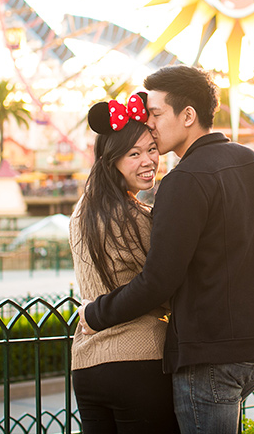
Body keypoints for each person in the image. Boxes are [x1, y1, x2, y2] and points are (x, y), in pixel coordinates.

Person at [79, 65, 254, 433]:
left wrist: (95, 314)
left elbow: (159, 280)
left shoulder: (183, 181)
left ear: (188, 115)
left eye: (156, 113)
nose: (151, 123)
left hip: (207, 354)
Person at [69, 93, 180, 434]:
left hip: (85, 365)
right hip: (138, 362)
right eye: (134, 154)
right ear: (111, 160)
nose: (149, 160)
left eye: (151, 149)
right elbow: (161, 286)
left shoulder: (80, 213)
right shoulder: (137, 217)